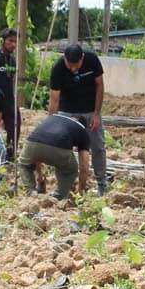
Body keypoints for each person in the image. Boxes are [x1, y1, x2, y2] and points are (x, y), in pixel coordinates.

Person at [48, 41, 109, 194]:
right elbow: (54, 98)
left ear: (82, 57)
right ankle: (63, 185)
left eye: (77, 64)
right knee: (61, 148)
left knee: (98, 147)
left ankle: (102, 183)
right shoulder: (58, 68)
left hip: (89, 112)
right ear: (65, 59)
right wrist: (52, 123)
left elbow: (100, 86)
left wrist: (96, 113)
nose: (74, 68)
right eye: (71, 65)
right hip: (66, 112)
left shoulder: (92, 60)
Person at [20, 111, 94, 199]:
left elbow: (38, 152)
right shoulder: (82, 130)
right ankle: (58, 196)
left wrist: (40, 177)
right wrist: (81, 192)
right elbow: (84, 167)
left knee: (25, 165)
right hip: (59, 148)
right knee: (70, 170)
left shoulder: (52, 118)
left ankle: (30, 191)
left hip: (32, 143)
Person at [0, 26, 21, 162]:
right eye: (10, 41)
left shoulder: (12, 60)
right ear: (2, 40)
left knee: (15, 127)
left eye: (15, 41)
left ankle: (10, 156)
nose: (13, 44)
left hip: (9, 100)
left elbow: (12, 79)